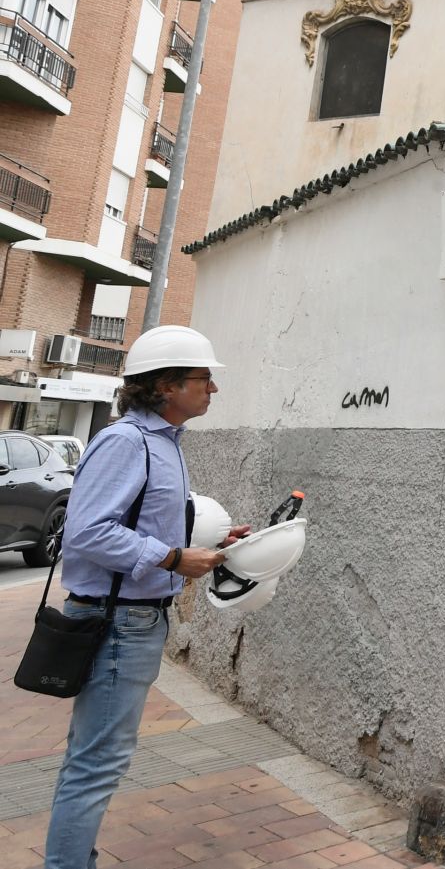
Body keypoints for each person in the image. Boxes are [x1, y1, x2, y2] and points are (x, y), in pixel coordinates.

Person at [42, 326, 248, 869]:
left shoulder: (163, 445)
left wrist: (207, 545)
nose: (213, 389)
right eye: (203, 378)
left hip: (134, 620)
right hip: (116, 622)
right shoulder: (127, 442)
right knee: (97, 764)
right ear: (165, 386)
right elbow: (87, 532)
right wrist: (176, 560)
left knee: (96, 760)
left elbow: (139, 525)